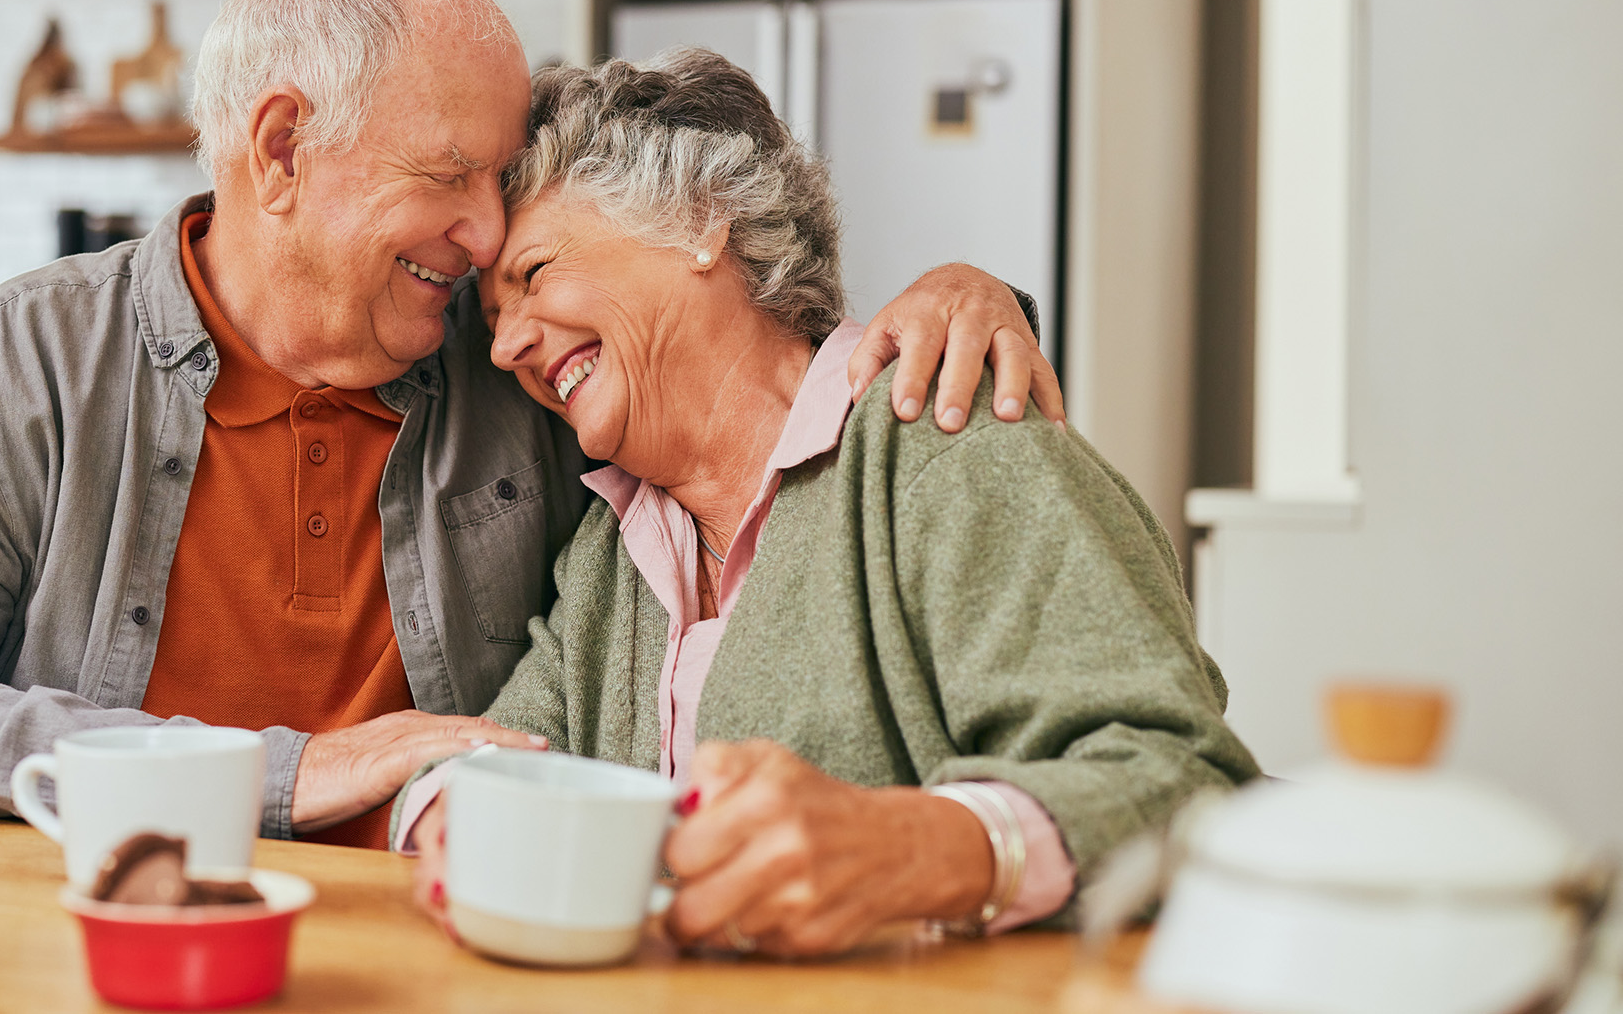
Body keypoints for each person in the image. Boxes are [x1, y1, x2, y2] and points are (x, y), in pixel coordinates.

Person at [0, 0, 1062, 848]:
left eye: (503, 187)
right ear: (282, 148)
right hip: (106, 940)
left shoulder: (512, 359)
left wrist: (963, 289)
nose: (483, 234)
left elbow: (739, 351)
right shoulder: (25, 360)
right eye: (452, 173)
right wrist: (270, 773)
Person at [400, 48, 1258, 953]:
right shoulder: (615, 546)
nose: (507, 350)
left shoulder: (943, 444)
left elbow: (1186, 778)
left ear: (699, 222)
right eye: (492, 327)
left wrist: (924, 848)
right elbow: (500, 755)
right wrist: (447, 809)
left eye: (534, 275)